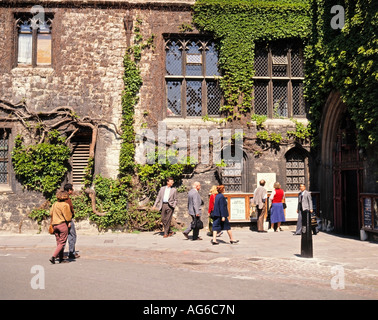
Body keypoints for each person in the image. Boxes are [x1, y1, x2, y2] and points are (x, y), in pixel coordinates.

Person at [49, 190, 72, 264]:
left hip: (54, 225)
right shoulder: (65, 205)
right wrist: (68, 222)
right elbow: (67, 216)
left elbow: (50, 213)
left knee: (59, 242)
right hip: (62, 224)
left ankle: (61, 259)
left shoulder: (55, 204)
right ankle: (53, 257)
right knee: (62, 242)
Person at [64, 183, 80, 259]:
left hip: (61, 220)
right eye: (72, 189)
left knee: (63, 237)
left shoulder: (60, 198)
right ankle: (71, 252)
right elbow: (70, 210)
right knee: (72, 236)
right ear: (69, 190)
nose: (72, 191)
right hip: (68, 220)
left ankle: (60, 253)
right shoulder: (67, 199)